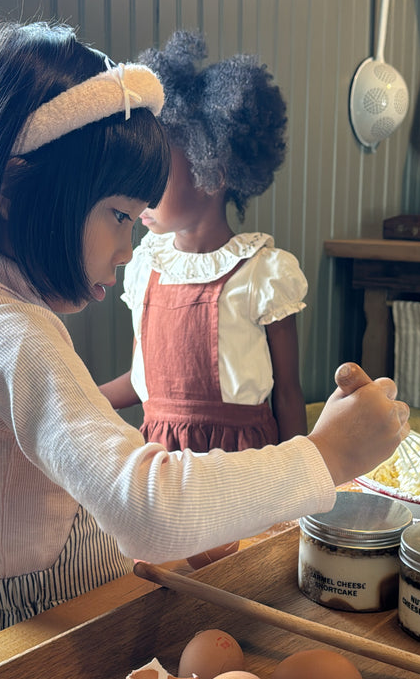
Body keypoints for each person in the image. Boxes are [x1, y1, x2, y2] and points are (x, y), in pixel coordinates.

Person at [0, 19, 409, 658]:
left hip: (68, 616)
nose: (127, 246)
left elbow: (74, 482)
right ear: (12, 190)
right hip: (24, 651)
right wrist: (327, 456)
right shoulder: (10, 333)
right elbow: (146, 511)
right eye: (119, 215)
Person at [100, 30, 307, 451]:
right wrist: (76, 399)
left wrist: (301, 490)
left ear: (212, 170)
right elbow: (145, 382)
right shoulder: (144, 269)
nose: (141, 192)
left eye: (157, 176)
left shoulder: (263, 275)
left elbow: (287, 394)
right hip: (162, 467)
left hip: (242, 468)